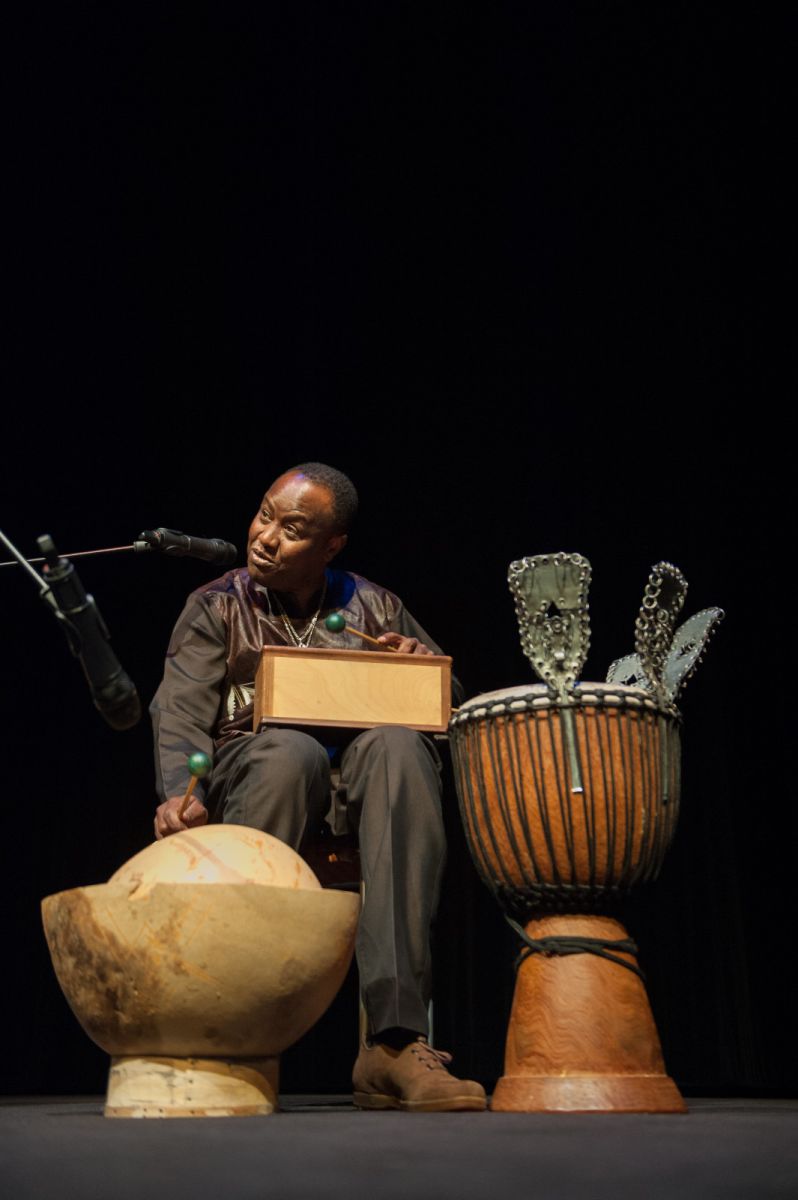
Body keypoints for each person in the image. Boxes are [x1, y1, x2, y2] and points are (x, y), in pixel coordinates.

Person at [151, 462, 486, 1112]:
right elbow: (181, 711)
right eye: (264, 514)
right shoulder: (216, 605)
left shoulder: (376, 605)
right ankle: (235, 1032)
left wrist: (429, 675)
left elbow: (450, 706)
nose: (266, 537)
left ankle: (392, 1041)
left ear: (331, 546)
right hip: (259, 784)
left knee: (399, 748)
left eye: (293, 529)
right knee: (289, 752)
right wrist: (175, 793)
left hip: (356, 789)